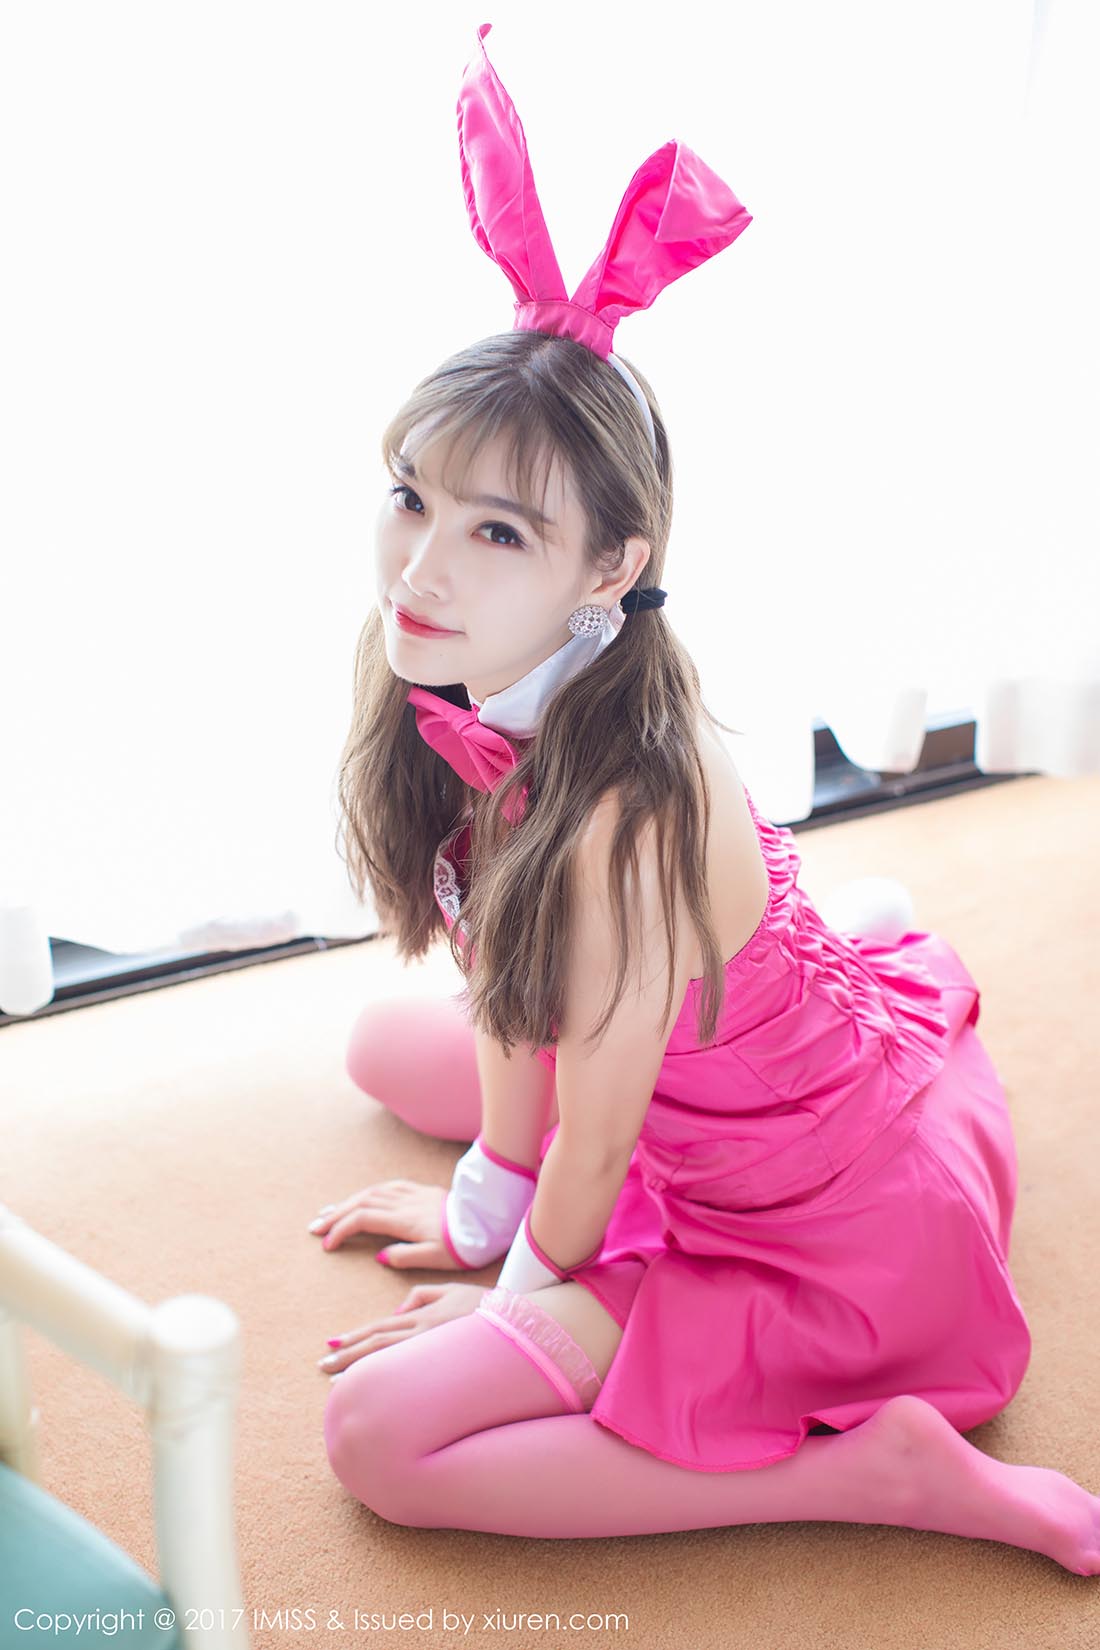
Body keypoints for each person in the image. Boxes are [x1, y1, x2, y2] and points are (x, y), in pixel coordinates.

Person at [316, 24, 1100, 1570]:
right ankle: (832, 945)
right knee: (381, 1045)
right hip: (686, 1069)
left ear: (610, 566)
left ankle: (872, 1470)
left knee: (379, 1438)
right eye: (412, 497)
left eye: (495, 532)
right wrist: (479, 1198)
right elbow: (512, 990)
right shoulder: (464, 676)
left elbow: (598, 1147)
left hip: (808, 1225)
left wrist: (516, 1288)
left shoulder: (622, 812)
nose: (421, 566)